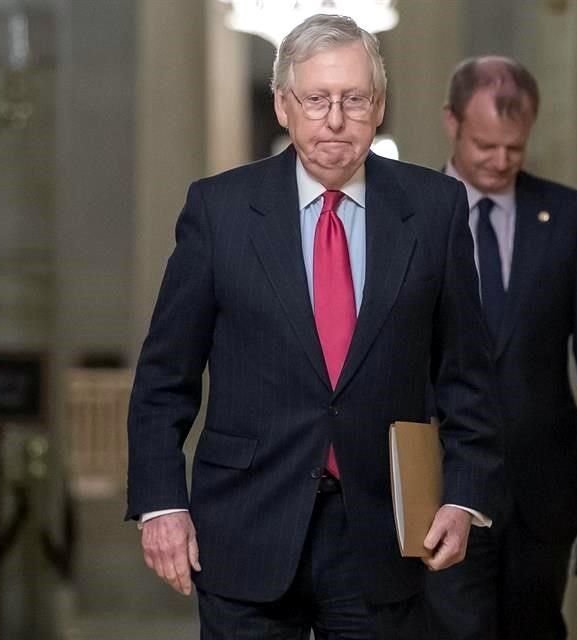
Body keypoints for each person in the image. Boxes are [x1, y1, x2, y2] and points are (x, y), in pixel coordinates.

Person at [125, 16, 503, 639]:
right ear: (283, 104)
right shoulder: (219, 211)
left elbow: (467, 377)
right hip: (244, 524)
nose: (335, 120)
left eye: (353, 99)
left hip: (381, 533)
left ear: (378, 106)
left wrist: (464, 497)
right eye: (316, 99)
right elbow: (165, 376)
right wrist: (161, 503)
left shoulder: (435, 209)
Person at [425, 56, 577, 640]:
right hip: (441, 488)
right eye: (485, 145)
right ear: (451, 122)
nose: (500, 162)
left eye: (514, 148)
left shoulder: (570, 217)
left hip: (543, 494)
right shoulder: (411, 214)